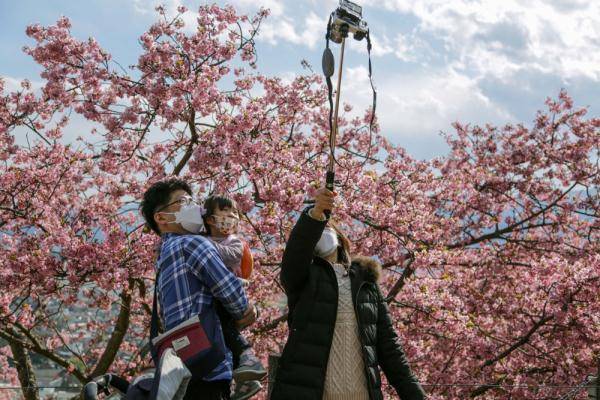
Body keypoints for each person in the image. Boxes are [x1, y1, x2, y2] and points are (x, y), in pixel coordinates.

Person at [270, 187, 427, 400]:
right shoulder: (305, 279)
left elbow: (389, 348)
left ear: (340, 239)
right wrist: (316, 214)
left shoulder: (366, 283)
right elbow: (295, 257)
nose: (322, 234)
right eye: (319, 230)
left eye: (327, 229)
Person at [140, 179, 257, 400]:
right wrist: (247, 309)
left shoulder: (164, 256)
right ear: (161, 217)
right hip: (209, 371)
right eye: (183, 201)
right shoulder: (191, 243)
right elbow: (234, 297)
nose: (193, 206)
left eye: (193, 200)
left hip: (183, 370)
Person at [202, 195, 267, 400]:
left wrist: (201, 245)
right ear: (210, 219)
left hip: (231, 294)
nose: (232, 217)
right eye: (225, 212)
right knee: (222, 337)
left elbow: (230, 257)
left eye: (235, 214)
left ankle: (248, 355)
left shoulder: (235, 242)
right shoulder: (204, 239)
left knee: (226, 329)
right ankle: (245, 382)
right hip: (213, 297)